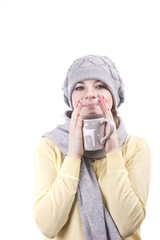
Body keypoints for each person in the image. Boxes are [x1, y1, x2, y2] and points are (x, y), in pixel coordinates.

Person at [33, 55, 151, 240]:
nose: (90, 94)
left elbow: (128, 225)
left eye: (101, 86)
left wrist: (113, 152)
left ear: (114, 95)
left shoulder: (136, 147)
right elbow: (48, 226)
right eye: (80, 87)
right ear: (71, 98)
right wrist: (72, 156)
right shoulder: (50, 147)